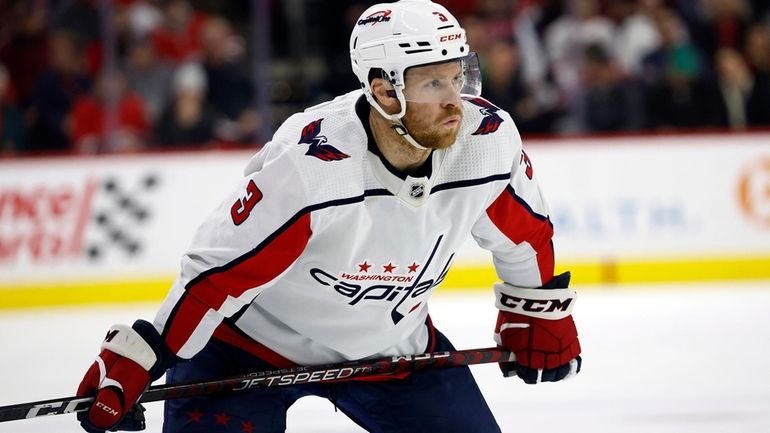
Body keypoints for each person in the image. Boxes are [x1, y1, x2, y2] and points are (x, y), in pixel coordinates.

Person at [75, 1, 583, 432]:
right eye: (433, 83)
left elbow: (525, 236)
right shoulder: (312, 166)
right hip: (250, 348)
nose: (456, 100)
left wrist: (535, 311)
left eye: (459, 76)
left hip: (391, 348)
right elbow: (219, 275)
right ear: (386, 91)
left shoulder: (485, 142)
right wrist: (147, 352)